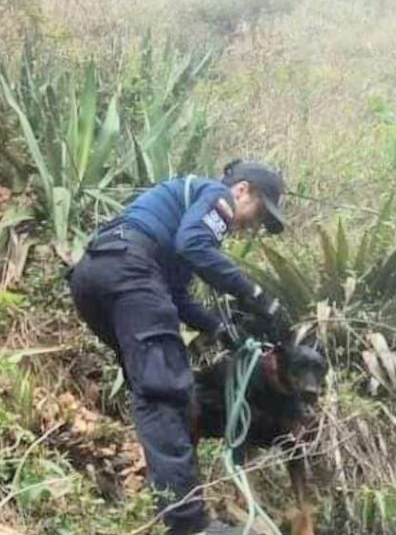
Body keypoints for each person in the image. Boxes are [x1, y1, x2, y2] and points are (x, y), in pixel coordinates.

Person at [68, 161, 287, 535]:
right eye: (258, 214)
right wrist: (256, 294)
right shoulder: (217, 197)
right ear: (242, 191)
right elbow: (195, 245)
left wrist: (219, 329)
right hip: (129, 270)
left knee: (160, 389)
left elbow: (177, 294)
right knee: (164, 391)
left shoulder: (179, 215)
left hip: (95, 275)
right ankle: (190, 524)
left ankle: (174, 507)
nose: (251, 226)